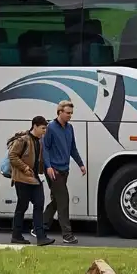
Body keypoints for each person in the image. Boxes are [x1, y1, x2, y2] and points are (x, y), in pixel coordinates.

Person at [38, 100, 87, 244]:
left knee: (57, 200)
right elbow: (45, 148)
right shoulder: (51, 128)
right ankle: (67, 235)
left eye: (71, 113)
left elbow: (72, 148)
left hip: (65, 169)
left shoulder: (69, 128)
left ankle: (39, 226)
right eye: (68, 113)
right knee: (63, 200)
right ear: (59, 112)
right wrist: (48, 166)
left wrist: (80, 164)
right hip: (54, 170)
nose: (70, 116)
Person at [9, 115, 55, 246]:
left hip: (34, 178)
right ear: (35, 126)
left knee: (39, 204)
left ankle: (41, 237)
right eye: (43, 128)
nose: (44, 131)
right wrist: (24, 168)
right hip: (22, 179)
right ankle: (16, 235)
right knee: (22, 207)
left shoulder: (39, 142)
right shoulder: (23, 140)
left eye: (45, 128)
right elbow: (12, 155)